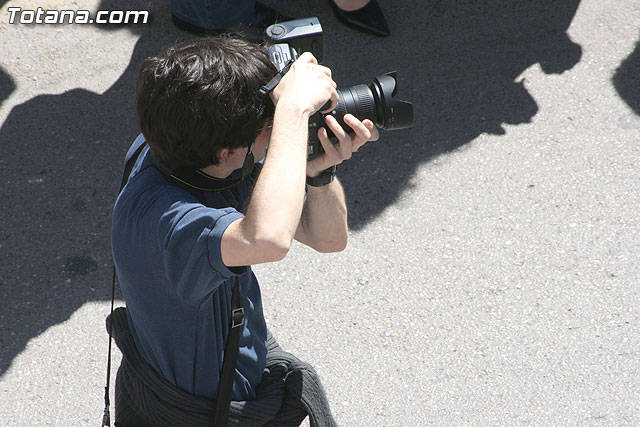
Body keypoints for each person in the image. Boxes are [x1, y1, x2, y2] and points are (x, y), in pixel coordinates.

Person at [109, 36, 378, 425]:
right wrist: (294, 110)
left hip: (232, 373)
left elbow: (328, 239)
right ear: (227, 152)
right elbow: (267, 238)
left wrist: (319, 172)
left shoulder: (185, 141)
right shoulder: (166, 222)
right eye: (269, 128)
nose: (277, 138)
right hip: (202, 413)